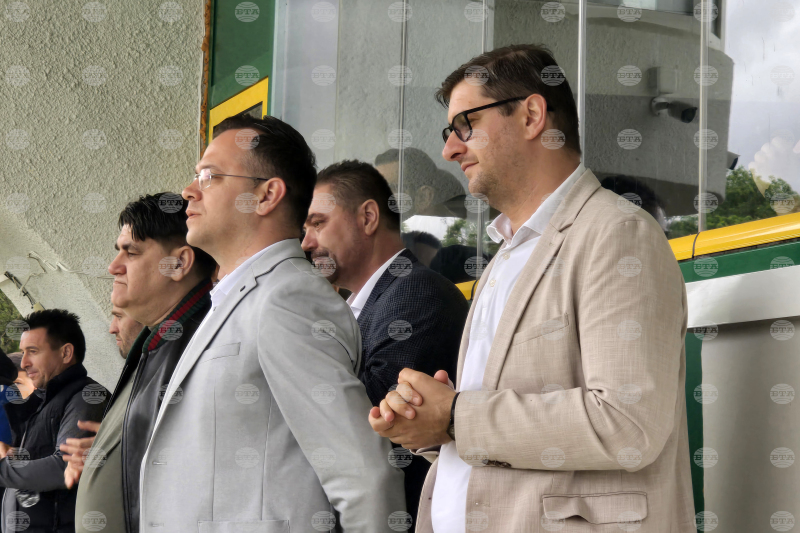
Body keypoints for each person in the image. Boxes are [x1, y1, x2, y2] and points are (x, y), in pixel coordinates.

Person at [369, 44, 695, 531]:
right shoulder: (505, 254)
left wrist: (456, 415)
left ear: (531, 116)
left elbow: (628, 423)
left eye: (465, 124)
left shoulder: (618, 233)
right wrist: (430, 422)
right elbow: (498, 429)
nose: (449, 149)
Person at [139, 115, 406, 531]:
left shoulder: (288, 297)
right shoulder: (240, 298)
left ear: (266, 196)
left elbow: (365, 477)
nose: (188, 191)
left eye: (209, 176)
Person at [302, 160, 469, 531]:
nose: (307, 242)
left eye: (318, 223)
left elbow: (366, 421)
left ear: (368, 217)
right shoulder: (370, 302)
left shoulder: (416, 293)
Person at [59, 193, 216, 533]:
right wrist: (117, 449)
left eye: (131, 252)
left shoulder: (207, 344)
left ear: (179, 264)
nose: (113, 266)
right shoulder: (159, 341)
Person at [1, 309, 107, 533]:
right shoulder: (45, 400)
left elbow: (64, 466)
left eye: (33, 351)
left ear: (66, 353)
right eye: (23, 352)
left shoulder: (86, 396)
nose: (24, 362)